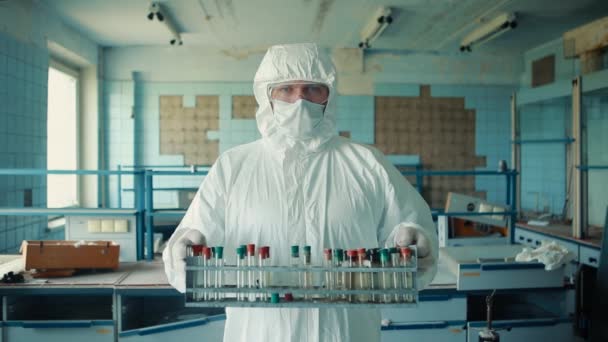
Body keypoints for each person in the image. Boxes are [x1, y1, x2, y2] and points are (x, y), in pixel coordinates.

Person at [163, 43, 438, 342]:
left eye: (312, 89)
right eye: (286, 90)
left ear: (329, 95)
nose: (300, 100)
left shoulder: (367, 164)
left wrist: (415, 243)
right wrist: (184, 250)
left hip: (346, 332)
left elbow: (409, 233)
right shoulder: (233, 167)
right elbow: (191, 246)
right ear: (267, 95)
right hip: (260, 333)